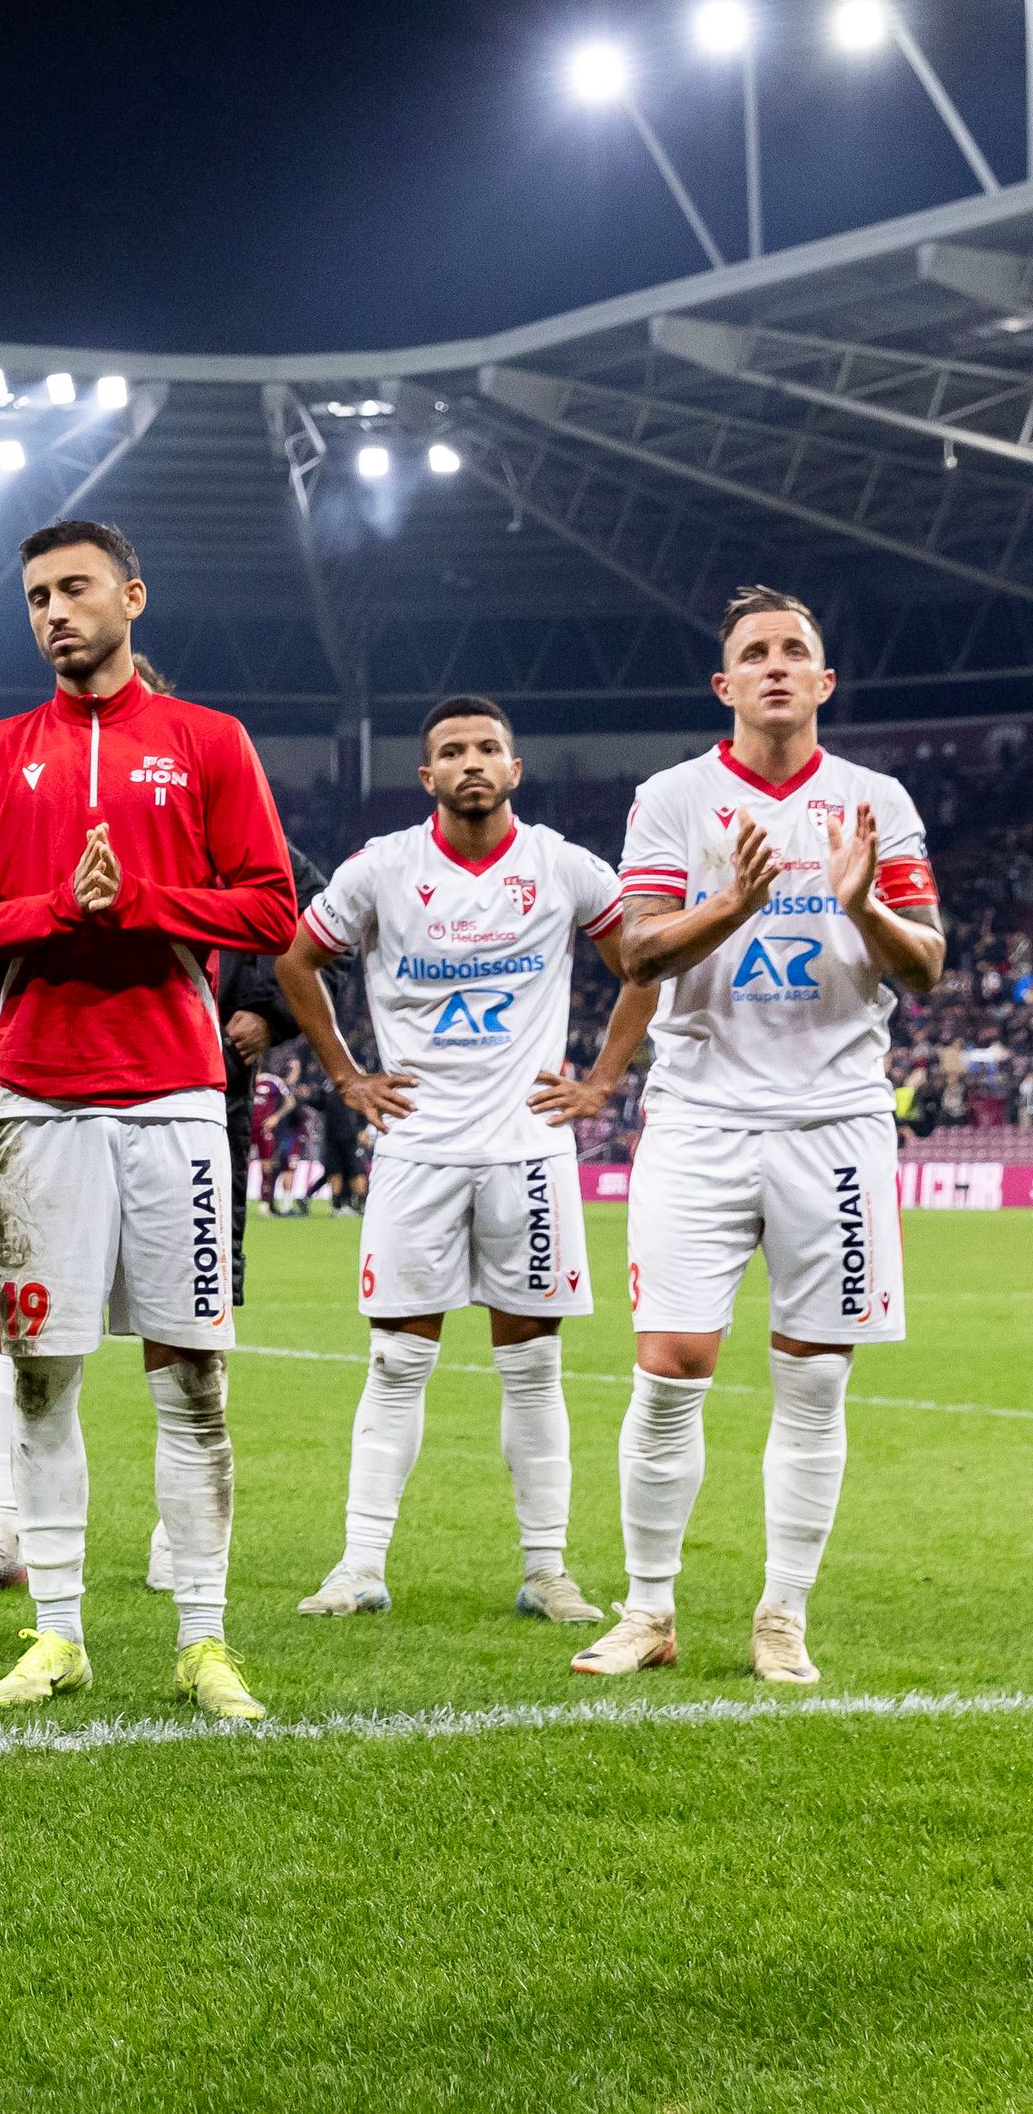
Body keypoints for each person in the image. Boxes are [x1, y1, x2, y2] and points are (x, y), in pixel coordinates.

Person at [0, 520, 297, 1722]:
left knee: (191, 1381)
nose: (53, 613)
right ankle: (61, 1635)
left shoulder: (206, 743)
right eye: (35, 596)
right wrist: (52, 912)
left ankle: (202, 1642)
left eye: (75, 589)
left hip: (177, 1095)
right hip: (34, 1096)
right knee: (42, 1378)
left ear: (131, 594)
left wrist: (136, 903)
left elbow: (272, 909)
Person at [574, 587, 942, 1687]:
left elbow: (923, 967)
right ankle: (648, 1611)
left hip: (833, 1126)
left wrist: (863, 904)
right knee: (669, 1369)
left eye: (796, 652)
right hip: (698, 1119)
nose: (776, 667)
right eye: (754, 653)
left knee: (814, 1381)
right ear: (723, 686)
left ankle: (781, 1615)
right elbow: (637, 957)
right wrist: (731, 906)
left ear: (823, 683)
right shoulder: (672, 798)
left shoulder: (874, 801)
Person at [275, 696, 653, 1626]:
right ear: (427, 776)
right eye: (453, 750)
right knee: (397, 1363)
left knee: (533, 1370)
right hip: (418, 1150)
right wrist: (345, 1075)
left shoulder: (562, 865)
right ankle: (362, 1562)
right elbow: (293, 956)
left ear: (515, 769)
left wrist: (604, 1079)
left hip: (528, 1149)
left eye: (489, 747)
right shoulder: (383, 868)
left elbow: (642, 961)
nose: (472, 761)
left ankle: (546, 1569)